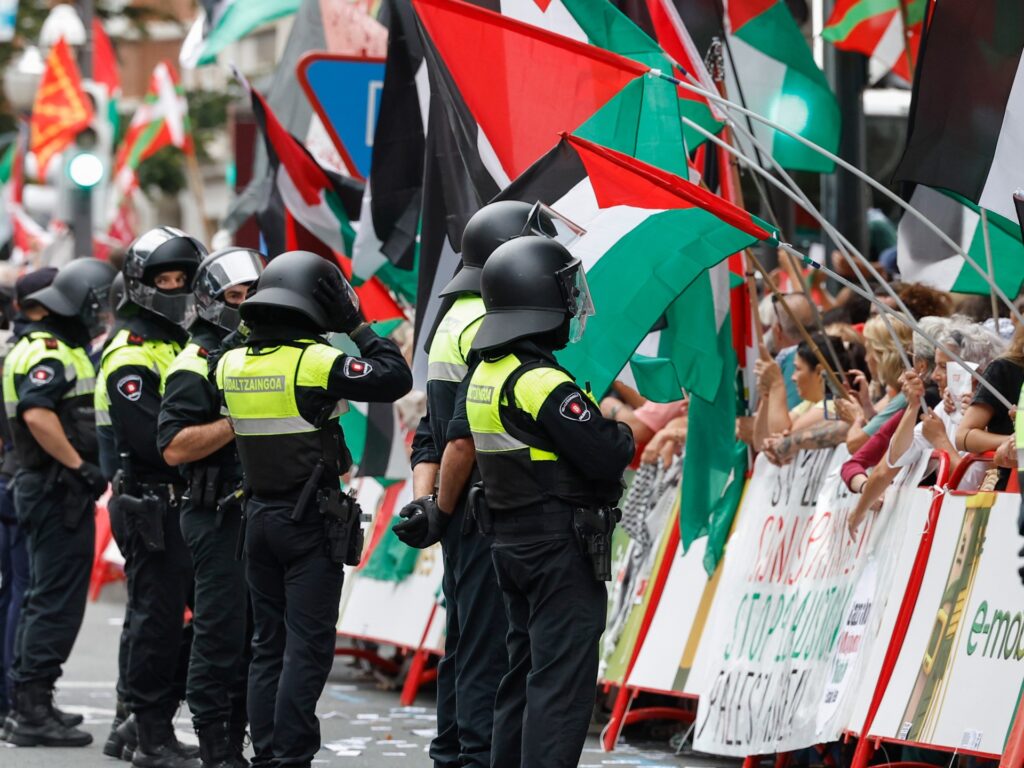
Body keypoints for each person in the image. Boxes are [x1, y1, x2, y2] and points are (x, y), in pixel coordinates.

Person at [214, 250, 411, 768]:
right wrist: (357, 326)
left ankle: (268, 755)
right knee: (307, 647)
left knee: (268, 646)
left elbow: (236, 351)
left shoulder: (230, 363)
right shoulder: (313, 361)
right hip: (309, 523)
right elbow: (394, 377)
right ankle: (291, 756)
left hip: (258, 519)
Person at [459, 236, 634, 767]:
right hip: (558, 546)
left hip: (512, 541)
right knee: (559, 688)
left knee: (523, 674)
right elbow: (605, 455)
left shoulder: (485, 374)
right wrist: (618, 428)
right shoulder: (538, 380)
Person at [394, 202, 543, 768]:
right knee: (488, 645)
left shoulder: (450, 319)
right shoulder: (490, 322)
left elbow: (431, 431)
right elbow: (462, 436)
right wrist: (446, 503)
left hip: (459, 507)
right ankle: (475, 754)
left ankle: (453, 748)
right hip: (487, 503)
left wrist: (431, 505)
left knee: (465, 640)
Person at [101, 227, 207, 768]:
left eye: (182, 279)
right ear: (141, 283)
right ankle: (149, 734)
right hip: (151, 502)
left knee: (206, 617)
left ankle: (139, 720)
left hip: (181, 504)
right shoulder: (131, 353)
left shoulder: (177, 345)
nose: (173, 288)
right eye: (163, 279)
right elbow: (154, 443)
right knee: (157, 622)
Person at [1, 258, 116, 747]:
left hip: (44, 487)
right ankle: (31, 710)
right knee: (52, 603)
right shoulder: (52, 352)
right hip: (54, 489)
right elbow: (36, 412)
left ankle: (33, 702)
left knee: (39, 598)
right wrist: (79, 466)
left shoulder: (45, 345)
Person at [158, 248, 263, 768]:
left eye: (254, 295)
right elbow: (174, 446)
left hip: (258, 513)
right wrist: (239, 418)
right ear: (211, 301)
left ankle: (239, 736)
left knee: (253, 635)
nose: (246, 305)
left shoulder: (260, 354)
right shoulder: (193, 362)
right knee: (219, 630)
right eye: (236, 297)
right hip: (213, 512)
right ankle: (213, 744)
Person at [0, 269, 56, 725]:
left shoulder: (14, 348)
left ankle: (9, 696)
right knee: (25, 590)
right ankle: (18, 698)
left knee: (17, 591)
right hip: (19, 477)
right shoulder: (30, 351)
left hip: (11, 476)